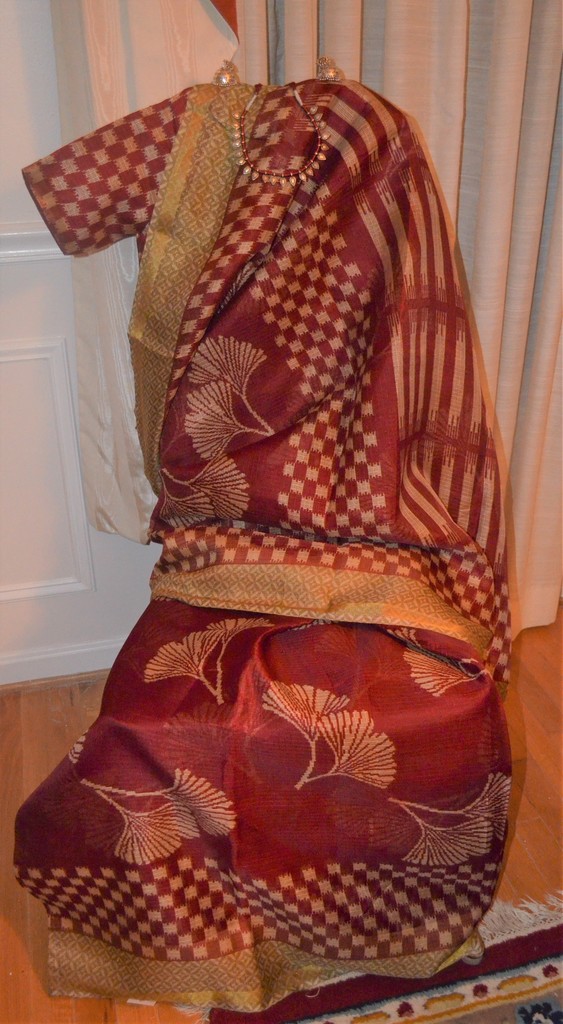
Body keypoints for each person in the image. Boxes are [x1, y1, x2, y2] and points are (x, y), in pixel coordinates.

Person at [15, 73, 511, 1016]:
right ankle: (206, 935)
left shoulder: (366, 167)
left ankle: (354, 920)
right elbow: (63, 201)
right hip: (226, 530)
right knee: (164, 725)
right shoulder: (211, 130)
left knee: (426, 703)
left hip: (377, 539)